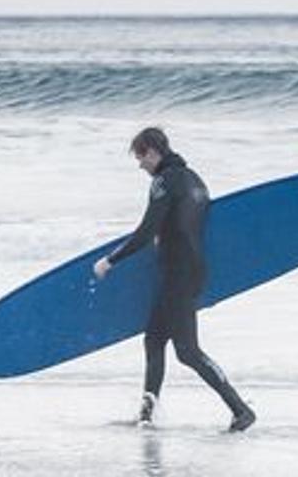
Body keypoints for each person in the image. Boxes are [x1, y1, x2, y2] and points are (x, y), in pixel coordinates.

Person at [92, 126, 254, 429]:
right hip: (189, 270)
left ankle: (241, 409)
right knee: (154, 339)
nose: (140, 164)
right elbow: (189, 227)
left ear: (153, 152)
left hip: (178, 274)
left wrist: (110, 261)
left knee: (187, 351)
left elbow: (145, 232)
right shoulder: (195, 181)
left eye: (141, 157)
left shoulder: (163, 182)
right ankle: (146, 416)